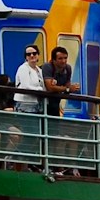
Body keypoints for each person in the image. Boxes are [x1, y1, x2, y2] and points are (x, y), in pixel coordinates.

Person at [42, 45, 80, 174]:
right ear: (53, 60)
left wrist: (71, 88)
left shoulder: (68, 69)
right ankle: (45, 164)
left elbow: (67, 86)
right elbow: (49, 88)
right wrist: (67, 89)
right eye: (60, 58)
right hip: (43, 105)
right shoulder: (47, 67)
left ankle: (58, 165)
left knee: (55, 134)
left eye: (65, 58)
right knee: (45, 134)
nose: (63, 61)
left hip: (55, 105)